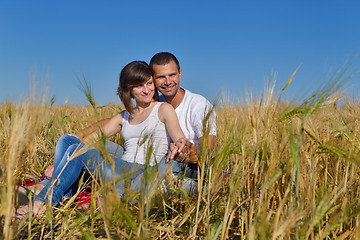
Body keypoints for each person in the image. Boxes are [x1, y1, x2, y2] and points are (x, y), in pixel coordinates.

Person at [15, 61, 187, 218]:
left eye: (149, 83)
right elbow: (88, 139)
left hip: (142, 172)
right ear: (129, 90)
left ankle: (43, 202)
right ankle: (61, 194)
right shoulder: (125, 116)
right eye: (139, 86)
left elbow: (179, 136)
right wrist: (61, 163)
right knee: (68, 140)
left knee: (77, 151)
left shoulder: (163, 109)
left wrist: (180, 145)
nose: (147, 90)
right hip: (120, 168)